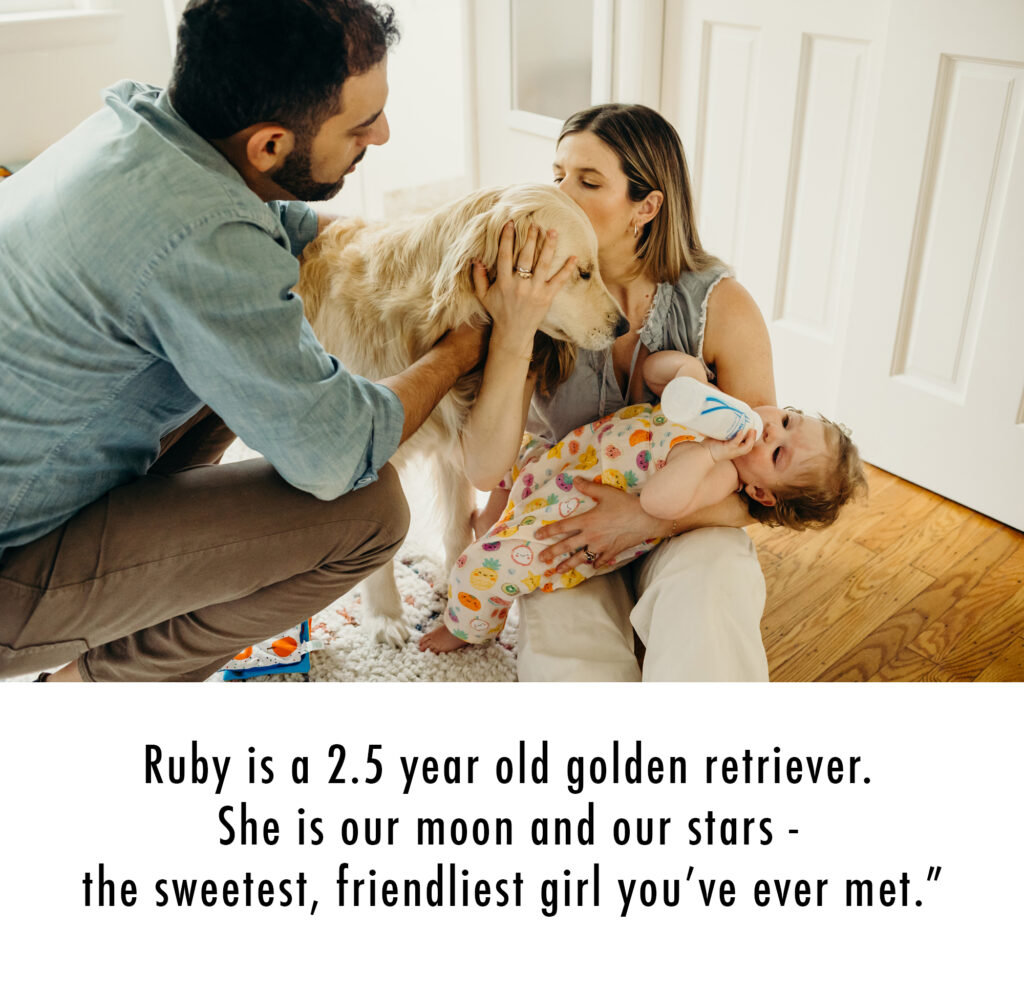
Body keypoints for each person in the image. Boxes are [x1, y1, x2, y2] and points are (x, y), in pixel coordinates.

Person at [0, 0, 568, 682]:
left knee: (267, 367)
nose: (383, 135)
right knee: (371, 509)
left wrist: (420, 246)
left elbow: (285, 222)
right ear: (269, 145)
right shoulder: (201, 240)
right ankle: (87, 692)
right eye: (361, 125)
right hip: (13, 563)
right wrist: (456, 350)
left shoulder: (142, 123)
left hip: (39, 468)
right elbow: (337, 453)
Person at [457, 103, 778, 680]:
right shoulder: (537, 295)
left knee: (713, 594)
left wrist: (646, 520)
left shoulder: (722, 307)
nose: (558, 193)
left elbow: (762, 478)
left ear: (647, 207)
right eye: (557, 176)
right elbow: (484, 468)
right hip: (567, 508)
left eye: (587, 181)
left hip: (694, 516)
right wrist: (514, 329)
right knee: (565, 662)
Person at [423, 353, 864, 650]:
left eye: (778, 453)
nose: (771, 431)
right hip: (570, 461)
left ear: (762, 493)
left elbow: (658, 501)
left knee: (488, 566)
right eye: (786, 419)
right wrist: (688, 373)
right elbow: (653, 374)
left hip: (577, 512)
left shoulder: (721, 474)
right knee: (507, 454)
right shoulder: (718, 410)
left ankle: (468, 626)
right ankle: (493, 517)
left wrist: (708, 453)